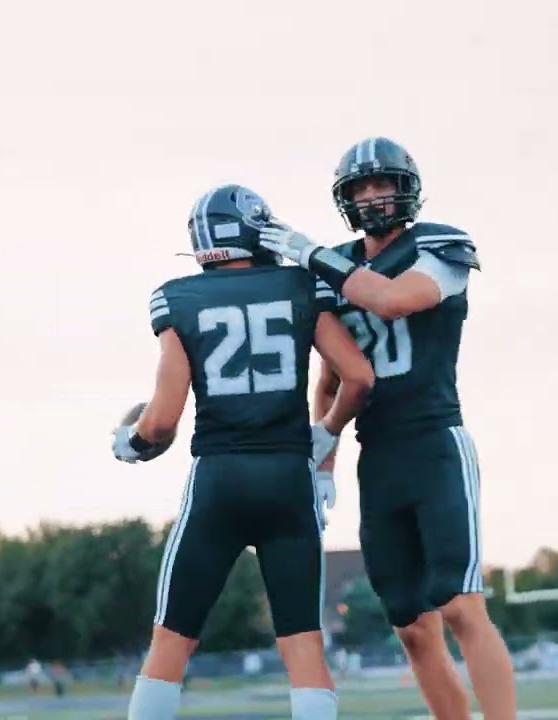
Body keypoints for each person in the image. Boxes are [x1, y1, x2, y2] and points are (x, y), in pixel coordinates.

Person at [260, 137, 516, 719]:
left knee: (459, 606)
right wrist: (323, 455)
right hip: (376, 456)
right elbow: (331, 376)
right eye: (361, 189)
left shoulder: (439, 246)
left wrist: (312, 254)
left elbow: (396, 299)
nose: (374, 197)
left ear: (408, 190)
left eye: (383, 185)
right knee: (410, 626)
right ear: (346, 200)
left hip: (434, 443)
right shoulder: (338, 267)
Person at [115, 184, 375, 720]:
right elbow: (359, 377)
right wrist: (326, 431)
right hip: (287, 477)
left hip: (220, 479)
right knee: (302, 643)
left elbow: (162, 418)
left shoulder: (178, 297)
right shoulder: (300, 286)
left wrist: (132, 443)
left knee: (172, 640)